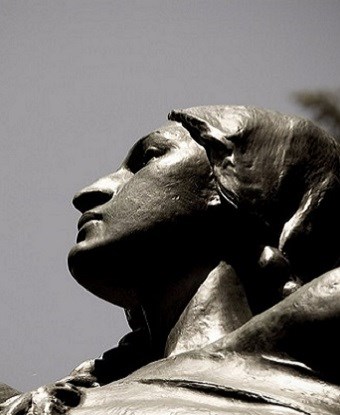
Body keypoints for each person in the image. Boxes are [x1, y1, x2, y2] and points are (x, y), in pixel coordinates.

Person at [1, 106, 340, 414]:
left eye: (148, 157)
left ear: (246, 191)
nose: (89, 192)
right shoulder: (61, 399)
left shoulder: (305, 371)